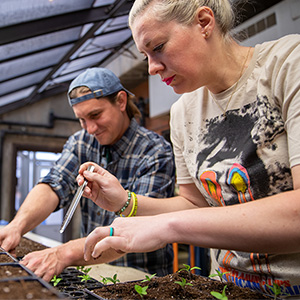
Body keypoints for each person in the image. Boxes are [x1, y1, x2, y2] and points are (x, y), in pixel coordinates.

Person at [79, 0, 300, 298]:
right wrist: (127, 202)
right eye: (145, 56)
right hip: (223, 289)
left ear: (204, 22)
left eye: (157, 47)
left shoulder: (287, 65)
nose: (152, 68)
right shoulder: (183, 112)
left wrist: (166, 226)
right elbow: (196, 205)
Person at [0, 67, 175, 281]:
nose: (90, 128)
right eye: (82, 120)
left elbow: (140, 227)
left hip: (142, 276)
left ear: (121, 101)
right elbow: (54, 184)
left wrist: (62, 253)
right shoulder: (81, 142)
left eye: (95, 115)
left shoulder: (154, 151)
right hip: (90, 267)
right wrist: (16, 227)